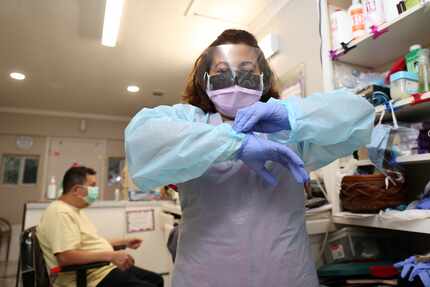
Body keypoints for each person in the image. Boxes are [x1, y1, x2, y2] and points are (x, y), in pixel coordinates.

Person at [125, 29, 375, 287]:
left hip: (285, 274)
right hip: (206, 276)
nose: (234, 80)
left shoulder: (287, 129)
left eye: (246, 70)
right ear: (206, 80)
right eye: (222, 72)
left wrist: (290, 116)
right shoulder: (192, 123)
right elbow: (141, 140)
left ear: (263, 79)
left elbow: (359, 115)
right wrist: (237, 144)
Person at [37, 166, 163, 287]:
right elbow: (66, 257)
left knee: (157, 280)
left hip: (101, 270)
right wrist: (111, 256)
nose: (96, 190)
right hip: (91, 279)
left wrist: (124, 243)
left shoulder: (74, 210)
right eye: (92, 186)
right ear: (77, 190)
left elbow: (89, 244)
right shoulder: (60, 213)